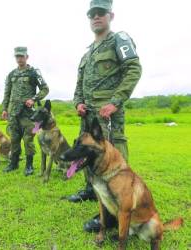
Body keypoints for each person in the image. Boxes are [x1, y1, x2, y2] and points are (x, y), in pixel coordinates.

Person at [70, 0, 142, 232]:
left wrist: (115, 101)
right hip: (88, 115)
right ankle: (92, 190)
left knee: (114, 163)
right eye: (92, 14)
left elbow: (133, 69)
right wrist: (78, 101)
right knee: (88, 155)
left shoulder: (118, 40)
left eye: (101, 13)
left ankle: (110, 217)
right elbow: (80, 83)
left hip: (108, 115)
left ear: (111, 15)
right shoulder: (88, 52)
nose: (96, 17)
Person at [2, 47, 49, 176]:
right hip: (13, 113)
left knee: (28, 139)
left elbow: (45, 89)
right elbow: (7, 93)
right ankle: (14, 163)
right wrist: (5, 109)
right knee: (14, 139)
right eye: (17, 56)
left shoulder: (33, 73)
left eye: (21, 56)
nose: (19, 59)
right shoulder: (12, 74)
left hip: (28, 114)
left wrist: (33, 99)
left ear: (27, 57)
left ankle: (29, 165)